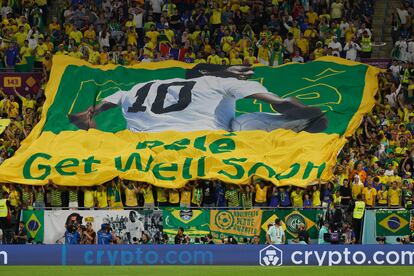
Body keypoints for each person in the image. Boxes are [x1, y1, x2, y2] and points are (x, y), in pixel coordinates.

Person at [69, 64, 327, 134]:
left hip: (146, 139)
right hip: (200, 136)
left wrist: (89, 116)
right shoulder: (218, 81)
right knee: (239, 124)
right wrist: (285, 104)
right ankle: (290, 121)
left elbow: (103, 105)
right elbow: (265, 97)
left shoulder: (139, 86)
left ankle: (294, 120)